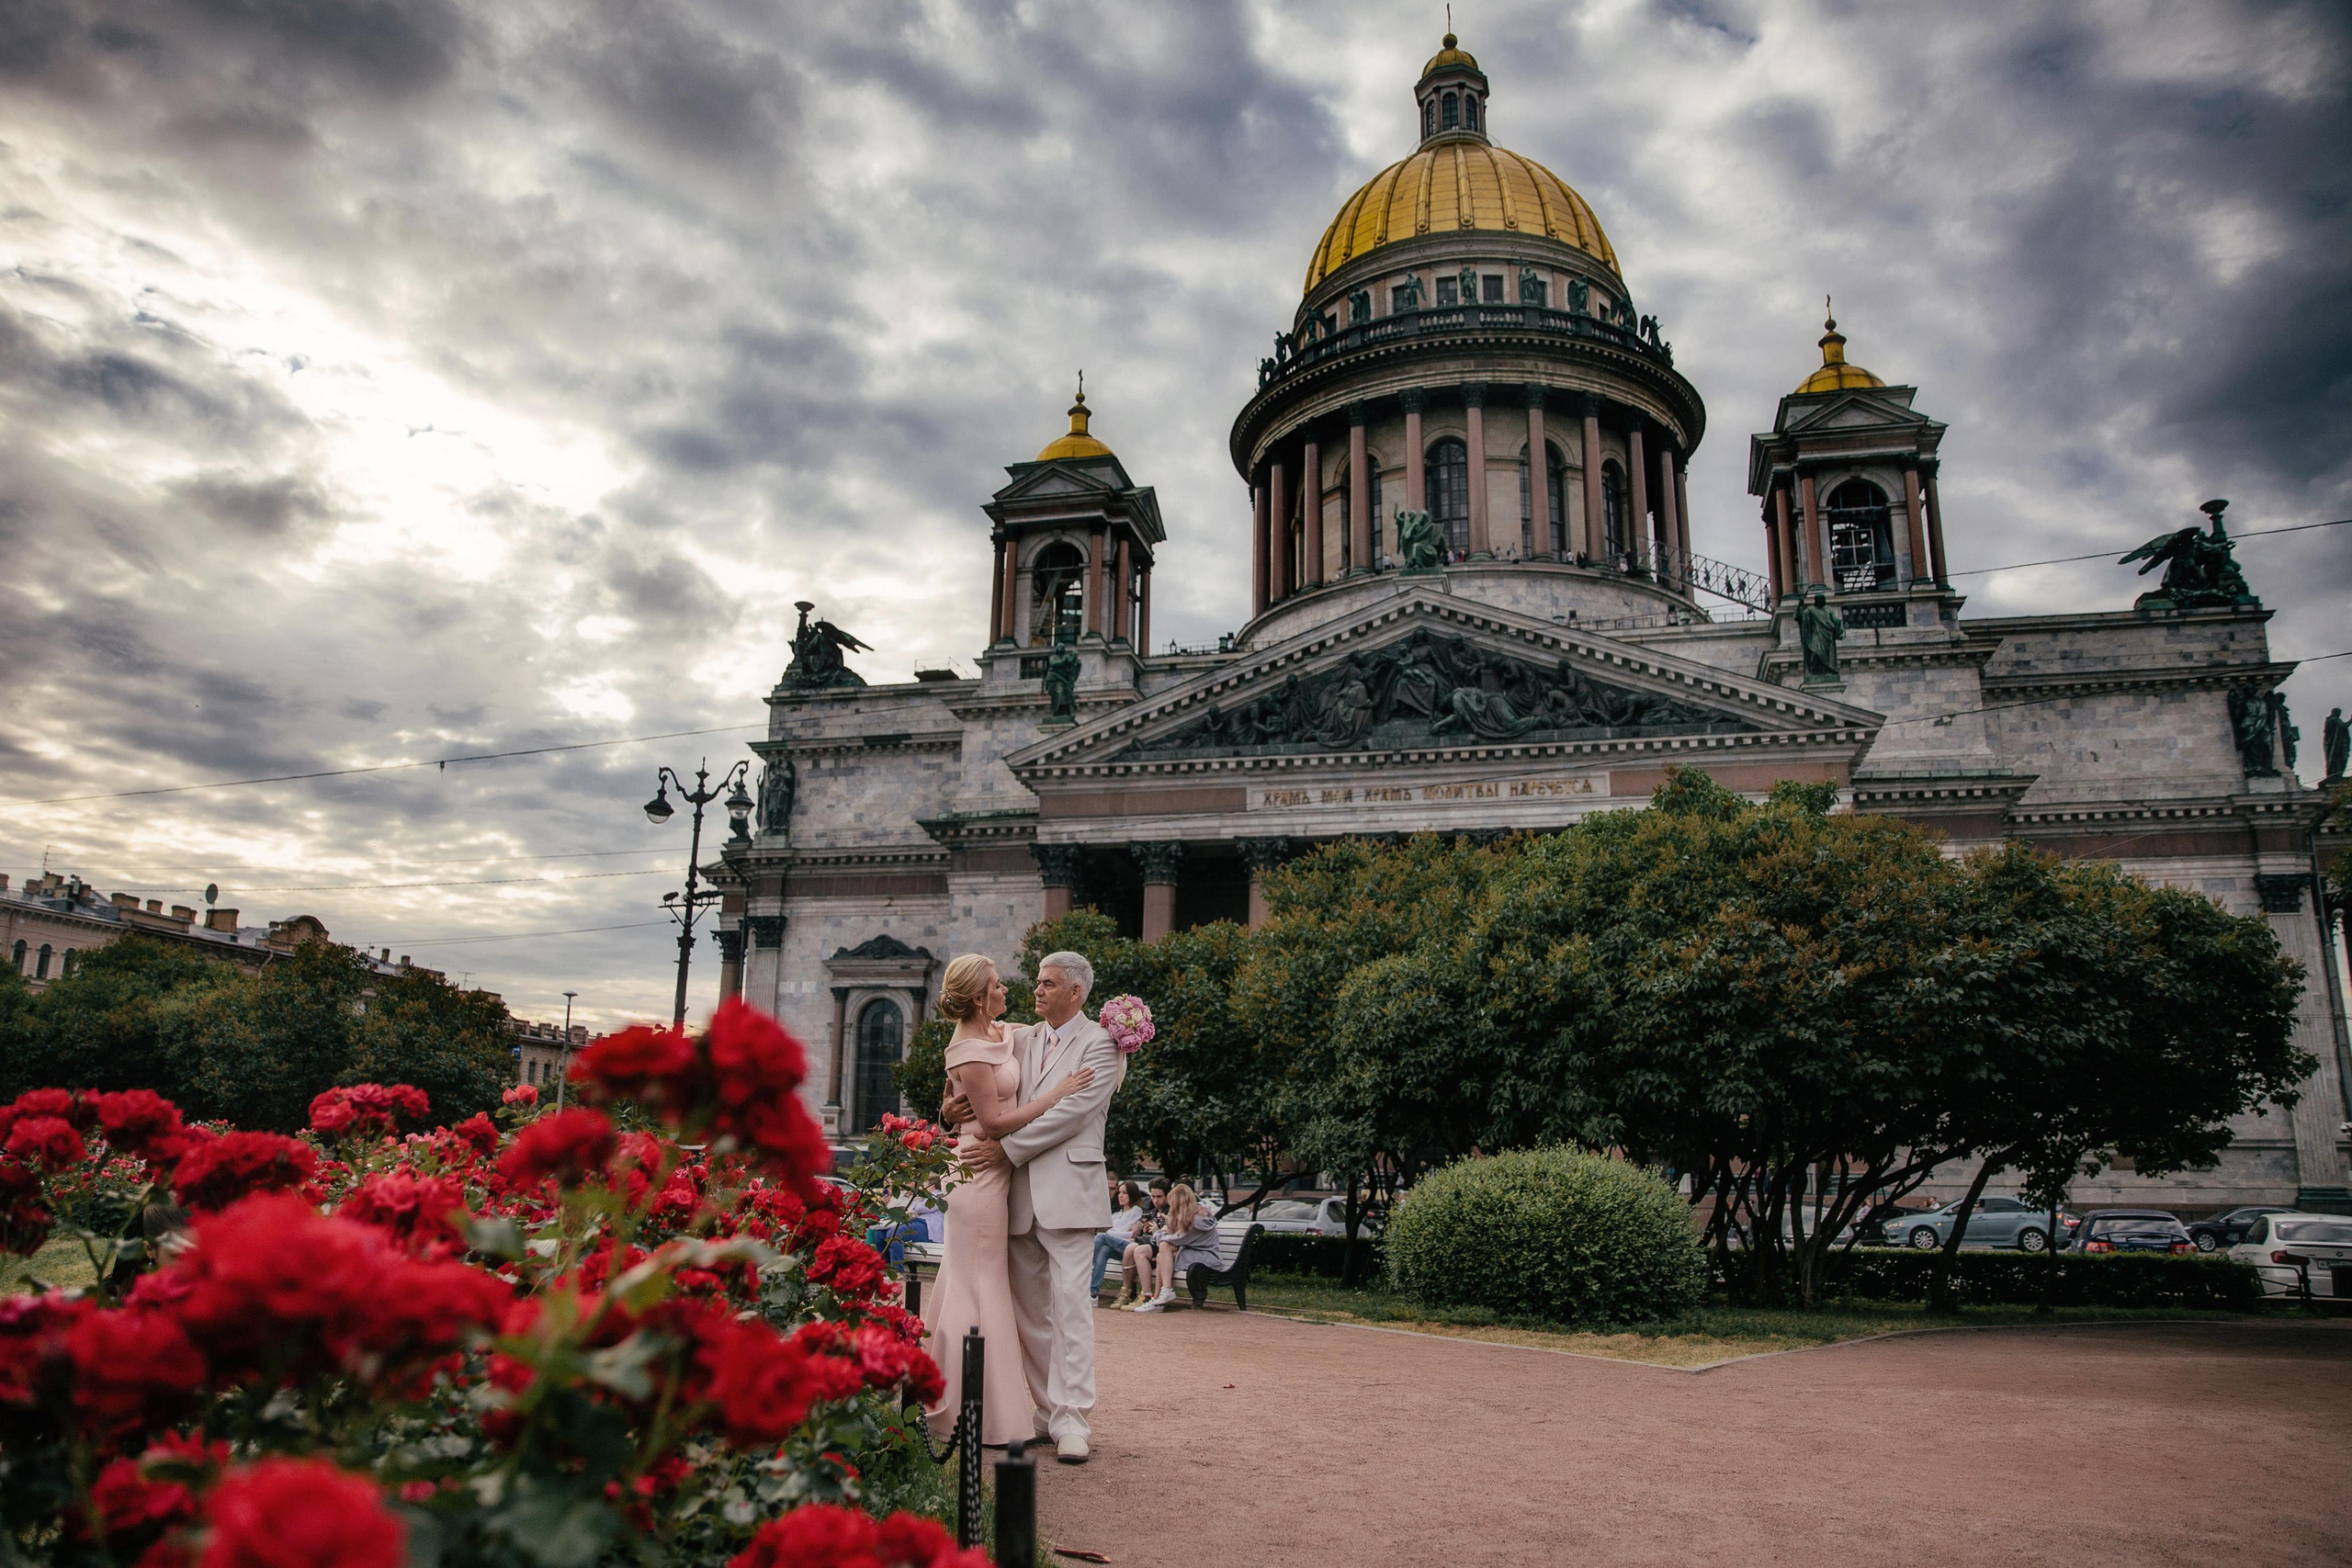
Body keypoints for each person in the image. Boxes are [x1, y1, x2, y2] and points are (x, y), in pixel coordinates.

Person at [945, 950, 1124, 1464]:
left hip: (1068, 1189)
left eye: (1048, 984)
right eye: (1037, 983)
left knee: (1071, 1307)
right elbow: (969, 1060)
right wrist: (948, 1108)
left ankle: (1074, 1420)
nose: (1037, 991)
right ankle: (1047, 1412)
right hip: (1014, 1196)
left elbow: (1071, 1113)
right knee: (1029, 1314)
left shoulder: (1102, 1044)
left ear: (1077, 992)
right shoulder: (1020, 1035)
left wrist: (1005, 1147)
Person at [1133, 1183, 1220, 1313]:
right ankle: (1158, 1299)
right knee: (1163, 1252)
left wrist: (1157, 1232)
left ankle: (1165, 1292)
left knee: (1164, 1247)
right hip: (1192, 1252)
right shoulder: (1192, 1214)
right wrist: (1168, 1222)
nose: (1172, 1208)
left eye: (1174, 1205)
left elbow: (1179, 1238)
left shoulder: (1199, 1219)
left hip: (1205, 1256)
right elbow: (1181, 1231)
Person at [1091, 1181, 1148, 1304]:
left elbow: (1130, 1234)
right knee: (1104, 1249)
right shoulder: (1116, 1215)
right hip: (1116, 1247)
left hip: (1129, 1247)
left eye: (1124, 1193)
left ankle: (1087, 1267)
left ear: (1132, 1195)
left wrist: (1110, 1234)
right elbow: (1116, 1232)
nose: (1120, 1196)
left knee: (1101, 1237)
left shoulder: (1135, 1211)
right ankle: (1093, 1293)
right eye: (1119, 1193)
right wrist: (1111, 1234)